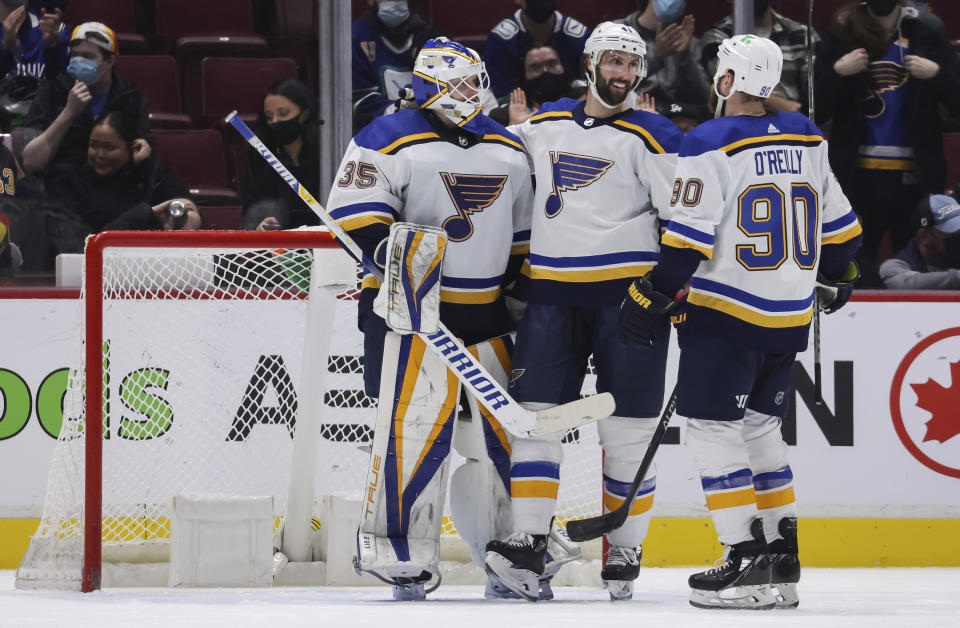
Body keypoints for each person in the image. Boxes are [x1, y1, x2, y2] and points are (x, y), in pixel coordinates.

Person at [619, 34, 862, 610]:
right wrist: (840, 274)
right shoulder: (807, 132)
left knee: (711, 432)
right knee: (760, 431)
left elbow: (684, 245)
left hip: (727, 314)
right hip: (789, 318)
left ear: (727, 81)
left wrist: (649, 294)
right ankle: (781, 556)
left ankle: (744, 558)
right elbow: (843, 235)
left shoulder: (710, 139)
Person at [327, 37, 539, 601]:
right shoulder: (387, 136)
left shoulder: (508, 147)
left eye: (478, 82)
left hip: (488, 318)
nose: (477, 93)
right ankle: (403, 552)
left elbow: (521, 243)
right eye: (465, 83)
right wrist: (393, 263)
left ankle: (508, 553)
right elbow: (356, 217)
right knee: (412, 436)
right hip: (410, 319)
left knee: (502, 443)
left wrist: (519, 305)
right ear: (432, 86)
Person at [484, 22, 684, 602]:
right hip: (551, 295)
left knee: (628, 430)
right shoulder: (540, 128)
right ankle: (527, 542)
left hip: (631, 297)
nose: (622, 74)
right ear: (592, 63)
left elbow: (684, 222)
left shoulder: (656, 133)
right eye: (614, 62)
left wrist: (680, 291)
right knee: (536, 419)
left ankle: (623, 548)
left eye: (632, 64)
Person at [814, 0, 960, 286]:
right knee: (853, 264)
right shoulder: (843, 33)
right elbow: (816, 110)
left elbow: (956, 103)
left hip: (916, 181)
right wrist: (838, 72)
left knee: (918, 266)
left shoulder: (926, 31)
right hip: (857, 179)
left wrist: (937, 76)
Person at [21, 21, 151, 182]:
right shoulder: (52, 92)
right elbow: (31, 162)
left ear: (110, 60)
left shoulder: (130, 97)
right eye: (75, 55)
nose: (78, 61)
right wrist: (68, 113)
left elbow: (144, 145)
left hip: (113, 187)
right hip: (60, 188)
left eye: (88, 56)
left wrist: (144, 148)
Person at [48, 109, 200, 235]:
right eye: (94, 146)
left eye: (109, 148)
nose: (100, 154)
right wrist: (142, 215)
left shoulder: (151, 176)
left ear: (132, 148)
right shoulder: (71, 182)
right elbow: (82, 240)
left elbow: (188, 213)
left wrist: (145, 166)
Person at [701, 0, 818, 115]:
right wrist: (784, 106)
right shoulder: (718, 36)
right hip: (741, 124)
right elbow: (732, 84)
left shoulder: (802, 34)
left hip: (790, 128)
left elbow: (815, 92)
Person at [243, 78, 320, 231]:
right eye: (269, 117)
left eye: (283, 114)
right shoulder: (260, 159)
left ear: (305, 114)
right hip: (277, 247)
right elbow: (253, 210)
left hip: (323, 243)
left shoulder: (325, 158)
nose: (275, 121)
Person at [351, 0, 434, 129]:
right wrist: (400, 110)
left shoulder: (431, 38)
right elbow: (359, 99)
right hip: (377, 135)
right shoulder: (354, 37)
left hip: (427, 133)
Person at [484, 0, 588, 103]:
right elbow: (500, 98)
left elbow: (592, 89)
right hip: (522, 113)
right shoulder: (501, 42)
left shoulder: (579, 38)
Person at [615, 0, 709, 107]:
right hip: (631, 113)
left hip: (675, 117)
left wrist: (685, 58)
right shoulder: (618, 32)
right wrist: (655, 56)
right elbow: (612, 83)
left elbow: (704, 98)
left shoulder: (686, 41)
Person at [879, 194, 960, 288]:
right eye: (952, 232)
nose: (958, 236)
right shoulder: (894, 266)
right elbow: (902, 284)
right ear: (924, 236)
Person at [492, 41, 579, 126]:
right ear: (524, 74)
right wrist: (515, 127)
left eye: (552, 64)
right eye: (535, 67)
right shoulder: (508, 113)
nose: (545, 71)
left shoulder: (585, 98)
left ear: (563, 66)